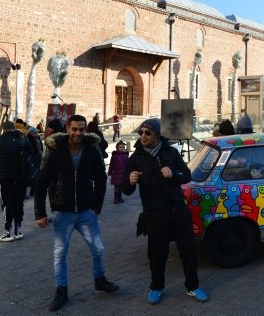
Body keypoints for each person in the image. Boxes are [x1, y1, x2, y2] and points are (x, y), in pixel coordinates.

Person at [34, 114, 119, 311]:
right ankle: (61, 291)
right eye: (74, 129)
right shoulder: (55, 150)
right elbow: (41, 182)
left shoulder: (91, 149)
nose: (78, 133)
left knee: (98, 249)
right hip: (62, 212)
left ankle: (100, 279)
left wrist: (96, 206)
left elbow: (100, 179)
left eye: (81, 129)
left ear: (85, 130)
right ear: (67, 128)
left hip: (86, 211)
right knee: (60, 253)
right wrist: (40, 213)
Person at [121, 118, 209, 305]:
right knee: (157, 253)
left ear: (157, 134)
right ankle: (156, 287)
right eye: (141, 132)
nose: (143, 136)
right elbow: (125, 190)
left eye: (148, 132)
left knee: (188, 249)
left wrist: (173, 174)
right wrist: (129, 180)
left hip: (178, 209)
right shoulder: (135, 158)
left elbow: (186, 176)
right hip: (154, 213)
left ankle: (192, 286)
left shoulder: (171, 153)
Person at [0, 121, 33, 242]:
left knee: (7, 203)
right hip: (21, 177)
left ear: (4, 129)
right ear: (13, 128)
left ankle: (7, 232)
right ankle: (18, 230)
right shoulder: (23, 139)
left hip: (4, 177)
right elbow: (31, 154)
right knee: (19, 202)